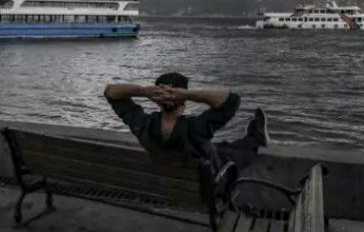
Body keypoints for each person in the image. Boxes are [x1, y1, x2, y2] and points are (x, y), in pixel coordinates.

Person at [104, 72, 269, 172]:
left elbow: (110, 92)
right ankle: (256, 137)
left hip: (170, 183)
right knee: (234, 152)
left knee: (221, 145)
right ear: (183, 100)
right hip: (208, 187)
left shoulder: (143, 126)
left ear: (156, 100)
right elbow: (232, 101)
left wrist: (143, 91)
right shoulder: (195, 129)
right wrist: (188, 94)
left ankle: (253, 135)